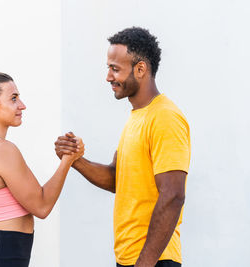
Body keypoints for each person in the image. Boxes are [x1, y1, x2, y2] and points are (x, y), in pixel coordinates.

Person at [55, 27, 191, 267]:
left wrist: (145, 262)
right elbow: (118, 179)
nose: (108, 77)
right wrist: (75, 160)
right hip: (131, 259)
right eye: (108, 68)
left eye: (115, 69)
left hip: (154, 260)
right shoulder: (137, 118)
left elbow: (173, 195)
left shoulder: (165, 117)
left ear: (140, 69)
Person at [0, 72, 84, 267]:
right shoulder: (1, 150)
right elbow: (42, 206)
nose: (22, 105)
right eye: (13, 98)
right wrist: (68, 160)